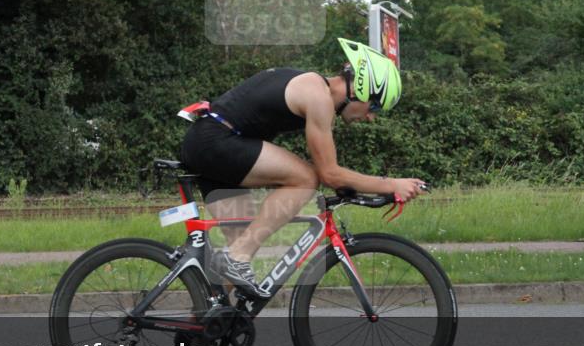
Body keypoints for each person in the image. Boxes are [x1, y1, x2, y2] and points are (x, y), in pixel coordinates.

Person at [179, 38, 426, 299]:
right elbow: (329, 174)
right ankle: (234, 260)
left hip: (212, 140)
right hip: (215, 140)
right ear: (362, 89)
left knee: (239, 253)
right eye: (375, 106)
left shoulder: (314, 87)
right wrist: (391, 184)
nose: (371, 117)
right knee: (305, 179)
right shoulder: (318, 97)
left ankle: (203, 324)